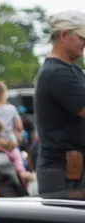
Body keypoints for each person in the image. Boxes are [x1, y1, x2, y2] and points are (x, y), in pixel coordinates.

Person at [33, 10, 85, 193]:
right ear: (64, 35)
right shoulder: (58, 73)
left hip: (68, 170)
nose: (84, 43)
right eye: (81, 37)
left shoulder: (69, 71)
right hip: (63, 172)